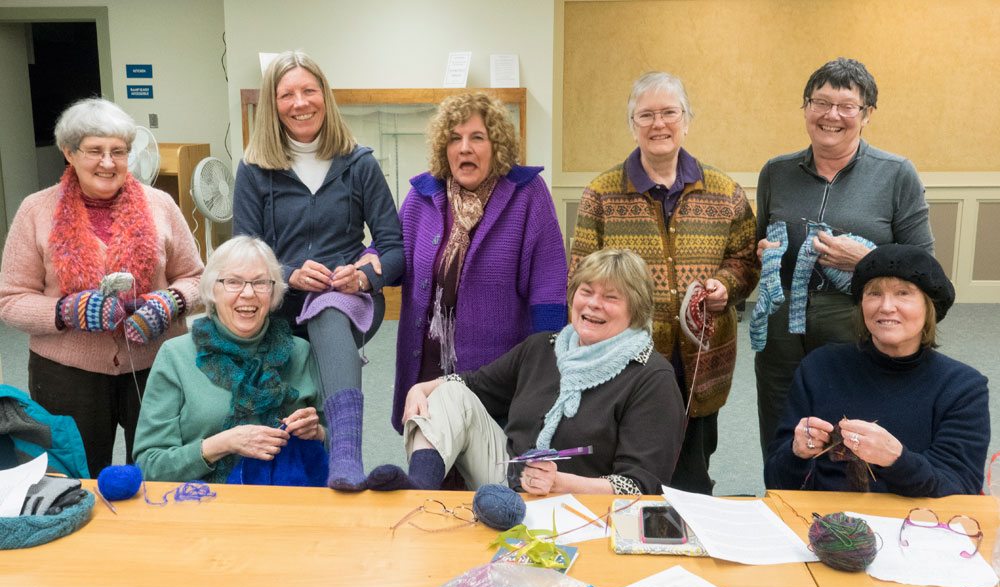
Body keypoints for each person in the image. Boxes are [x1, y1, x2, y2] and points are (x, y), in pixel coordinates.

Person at [570, 72, 758, 494]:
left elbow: (746, 261)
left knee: (692, 478)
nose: (659, 124)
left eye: (669, 113)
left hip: (701, 367)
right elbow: (578, 278)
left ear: (686, 120)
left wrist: (725, 285)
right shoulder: (601, 195)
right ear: (632, 124)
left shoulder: (725, 192)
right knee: (627, 473)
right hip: (623, 366)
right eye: (646, 115)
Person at [367, 248, 684, 496]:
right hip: (509, 481)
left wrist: (560, 483)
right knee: (448, 391)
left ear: (636, 310)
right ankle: (418, 490)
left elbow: (641, 486)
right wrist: (421, 388)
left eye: (611, 297)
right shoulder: (542, 347)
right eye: (586, 291)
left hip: (584, 507)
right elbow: (473, 385)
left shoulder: (651, 378)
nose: (593, 304)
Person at [0, 98, 203, 475]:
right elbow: (10, 300)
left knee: (159, 473)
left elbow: (197, 278)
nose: (108, 163)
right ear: (69, 152)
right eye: (95, 150)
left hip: (157, 364)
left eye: (118, 151)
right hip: (66, 373)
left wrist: (170, 302)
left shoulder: (161, 205)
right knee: (77, 475)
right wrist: (65, 311)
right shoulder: (35, 210)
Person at [233, 50, 403, 490]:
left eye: (309, 91)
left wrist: (364, 276)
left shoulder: (359, 163)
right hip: (278, 301)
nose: (300, 103)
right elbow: (243, 251)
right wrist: (288, 273)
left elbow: (395, 248)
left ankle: (347, 455)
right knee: (290, 414)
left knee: (327, 309)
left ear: (324, 96)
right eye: (287, 94)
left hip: (349, 299)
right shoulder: (253, 170)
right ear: (273, 105)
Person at [753, 57, 934, 454]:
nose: (831, 115)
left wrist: (866, 261)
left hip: (856, 325)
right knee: (783, 435)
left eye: (846, 106)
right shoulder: (775, 172)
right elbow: (757, 246)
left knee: (850, 440)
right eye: (820, 102)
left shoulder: (896, 174)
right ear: (806, 107)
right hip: (781, 333)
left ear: (866, 114)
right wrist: (763, 254)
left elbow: (925, 267)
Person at [391, 91, 567, 435]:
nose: (464, 148)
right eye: (454, 138)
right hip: (428, 368)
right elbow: (391, 252)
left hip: (496, 377)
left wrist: (543, 374)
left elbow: (549, 286)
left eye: (477, 138)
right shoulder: (422, 196)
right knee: (430, 454)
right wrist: (366, 267)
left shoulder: (527, 195)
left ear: (496, 145)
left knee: (492, 461)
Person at [764, 245, 988, 497]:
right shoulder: (820, 367)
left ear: (929, 307)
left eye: (903, 293)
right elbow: (776, 481)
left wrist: (897, 459)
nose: (886, 306)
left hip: (916, 519)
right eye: (874, 293)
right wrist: (796, 453)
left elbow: (960, 487)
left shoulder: (962, 387)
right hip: (827, 517)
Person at [134, 236, 327, 484]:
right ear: (212, 290)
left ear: (274, 292)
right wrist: (222, 444)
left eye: (260, 283)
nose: (248, 293)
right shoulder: (176, 355)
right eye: (233, 282)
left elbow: (338, 446)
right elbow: (149, 465)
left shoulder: (300, 351)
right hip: (205, 502)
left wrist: (318, 433)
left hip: (289, 500)